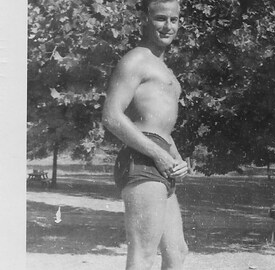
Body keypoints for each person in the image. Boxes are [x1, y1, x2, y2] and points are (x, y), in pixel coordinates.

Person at [102, 0, 189, 269]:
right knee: (144, 254)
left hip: (161, 158)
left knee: (177, 253)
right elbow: (112, 116)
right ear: (145, 20)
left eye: (173, 20)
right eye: (160, 18)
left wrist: (175, 158)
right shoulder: (136, 59)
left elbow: (160, 128)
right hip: (142, 157)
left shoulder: (167, 72)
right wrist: (158, 155)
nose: (168, 26)